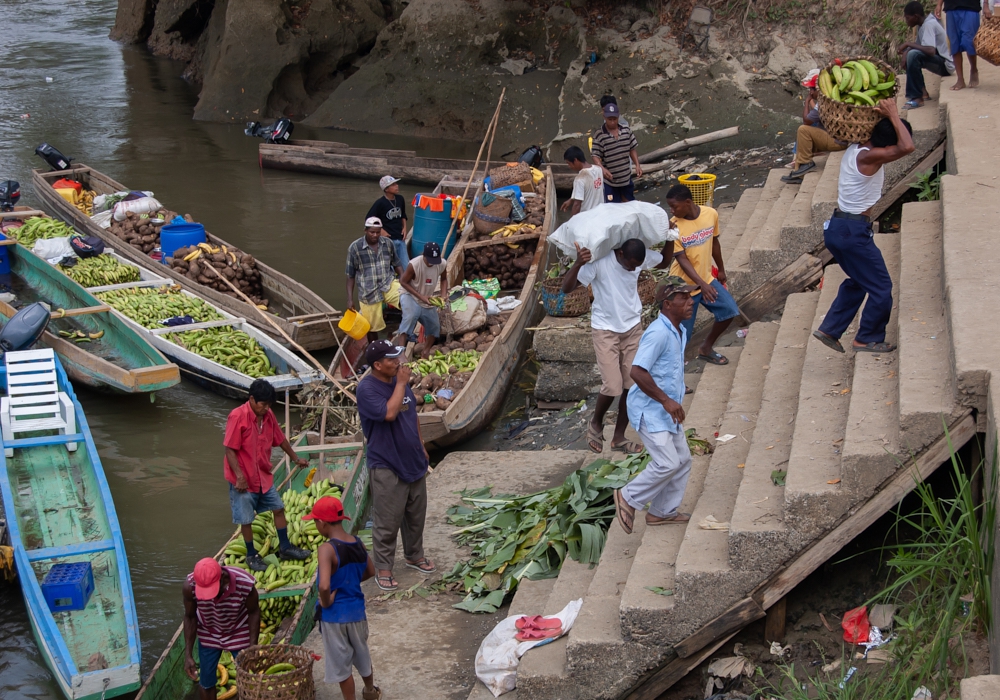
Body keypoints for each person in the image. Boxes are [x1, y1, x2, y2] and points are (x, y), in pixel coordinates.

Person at [813, 102, 914, 354]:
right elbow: (907, 146)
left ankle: (829, 329)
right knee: (881, 288)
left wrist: (887, 118)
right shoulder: (870, 157)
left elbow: (898, 142)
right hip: (852, 232)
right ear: (886, 145)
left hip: (838, 228)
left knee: (858, 280)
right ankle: (866, 338)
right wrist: (892, 114)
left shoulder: (857, 148)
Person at [562, 238, 668, 454]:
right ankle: (596, 423)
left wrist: (671, 239)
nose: (633, 269)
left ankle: (618, 437)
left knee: (633, 384)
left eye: (637, 265)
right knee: (612, 385)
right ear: (619, 253)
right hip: (605, 329)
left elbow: (663, 262)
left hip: (632, 327)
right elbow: (566, 288)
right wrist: (578, 263)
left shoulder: (637, 259)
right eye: (630, 264)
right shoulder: (599, 262)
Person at [613, 277, 698, 534]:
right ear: (668, 304)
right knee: (667, 463)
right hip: (649, 410)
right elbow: (637, 371)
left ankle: (662, 512)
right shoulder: (659, 333)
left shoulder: (678, 331)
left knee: (682, 460)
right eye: (683, 298)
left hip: (666, 411)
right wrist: (666, 400)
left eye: (689, 296)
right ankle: (628, 496)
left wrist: (672, 401)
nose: (690, 302)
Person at [356, 339, 435, 592]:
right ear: (377, 365)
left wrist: (421, 446)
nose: (399, 363)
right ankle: (384, 568)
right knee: (387, 520)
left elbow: (411, 414)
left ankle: (414, 555)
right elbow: (389, 413)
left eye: (397, 357)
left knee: (415, 514)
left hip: (413, 459)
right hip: (387, 463)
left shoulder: (397, 382)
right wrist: (401, 383)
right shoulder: (367, 389)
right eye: (392, 360)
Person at [224, 379, 311, 572]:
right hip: (244, 479)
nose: (266, 408)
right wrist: (239, 476)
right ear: (252, 399)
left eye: (269, 405)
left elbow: (280, 440)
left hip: (262, 475)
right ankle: (251, 554)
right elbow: (229, 450)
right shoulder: (237, 416)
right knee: (246, 519)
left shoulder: (268, 415)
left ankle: (285, 546)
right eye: (263, 404)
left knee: (278, 508)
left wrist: (296, 458)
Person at [306, 496, 381, 700]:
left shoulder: (326, 549)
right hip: (357, 612)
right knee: (362, 654)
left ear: (322, 523)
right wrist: (353, 580)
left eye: (314, 521)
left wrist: (326, 600)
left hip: (334, 617)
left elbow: (323, 585)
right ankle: (370, 691)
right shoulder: (357, 543)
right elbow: (371, 571)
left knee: (342, 665)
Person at [664, 184, 740, 365]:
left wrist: (720, 269)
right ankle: (676, 376)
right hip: (683, 286)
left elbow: (714, 243)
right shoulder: (674, 226)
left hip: (706, 279)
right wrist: (701, 285)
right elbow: (682, 259)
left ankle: (706, 348)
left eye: (674, 206)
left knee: (729, 311)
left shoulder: (710, 214)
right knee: (682, 335)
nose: (672, 211)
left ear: (688, 202)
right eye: (670, 207)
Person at [183, 558, 260, 700]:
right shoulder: (190, 586)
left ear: (223, 578)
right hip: (209, 630)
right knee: (206, 683)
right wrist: (188, 654)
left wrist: (252, 647)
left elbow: (254, 612)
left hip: (238, 629)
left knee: (249, 675)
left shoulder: (243, 582)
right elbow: (190, 617)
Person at [783, 68, 847, 182]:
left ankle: (806, 164)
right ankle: (799, 173)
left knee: (803, 130)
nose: (811, 92)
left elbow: (806, 121)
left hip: (837, 141)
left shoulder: (826, 102)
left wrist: (807, 102)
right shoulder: (829, 98)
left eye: (812, 89)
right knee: (804, 139)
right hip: (837, 139)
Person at [346, 216, 404, 342]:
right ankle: (374, 346)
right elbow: (350, 275)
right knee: (371, 327)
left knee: (408, 299)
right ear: (365, 230)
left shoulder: (388, 243)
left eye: (378, 232)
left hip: (387, 283)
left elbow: (397, 264)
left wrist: (404, 282)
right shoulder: (355, 248)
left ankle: (404, 331)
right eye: (372, 232)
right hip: (368, 291)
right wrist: (350, 299)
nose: (375, 235)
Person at [395, 241, 448, 356]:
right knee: (410, 316)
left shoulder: (442, 263)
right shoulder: (414, 265)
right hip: (410, 294)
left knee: (434, 326)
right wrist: (421, 297)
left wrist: (444, 295)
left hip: (427, 297)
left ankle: (426, 350)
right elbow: (403, 282)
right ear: (424, 255)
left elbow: (444, 279)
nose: (431, 264)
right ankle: (401, 353)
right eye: (429, 261)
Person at [899, 2, 954, 108]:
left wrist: (908, 44)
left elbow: (930, 50)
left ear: (915, 17)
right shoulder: (922, 25)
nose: (906, 21)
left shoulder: (929, 25)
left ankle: (916, 97)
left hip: (945, 65)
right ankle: (922, 92)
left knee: (913, 55)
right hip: (938, 61)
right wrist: (905, 53)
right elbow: (918, 45)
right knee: (911, 54)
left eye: (907, 18)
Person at [591, 102, 642, 203]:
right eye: (610, 119)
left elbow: (632, 149)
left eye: (615, 119)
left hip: (626, 179)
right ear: (604, 117)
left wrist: (637, 165)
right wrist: (602, 169)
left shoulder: (626, 131)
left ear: (618, 117)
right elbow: (595, 155)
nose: (613, 122)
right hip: (610, 182)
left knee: (629, 206)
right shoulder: (599, 135)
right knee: (613, 209)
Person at [934, 0, 984, 90]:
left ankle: (973, 68)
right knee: (954, 44)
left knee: (969, 42)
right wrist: (939, 4)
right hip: (951, 7)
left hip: (971, 7)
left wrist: (986, 5)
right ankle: (960, 79)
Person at [367, 176, 410, 270]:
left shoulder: (400, 199)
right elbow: (369, 219)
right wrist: (381, 231)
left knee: (406, 265)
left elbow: (403, 215)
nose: (397, 186)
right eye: (393, 185)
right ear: (386, 189)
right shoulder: (380, 203)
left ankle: (403, 283)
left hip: (400, 238)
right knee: (390, 266)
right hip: (388, 240)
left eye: (396, 184)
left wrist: (404, 228)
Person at [560, 146, 605, 216]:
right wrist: (571, 200)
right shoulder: (598, 170)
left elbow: (577, 204)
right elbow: (589, 190)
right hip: (600, 214)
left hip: (586, 218)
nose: (569, 166)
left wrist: (572, 223)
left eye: (569, 163)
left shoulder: (580, 179)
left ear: (575, 160)